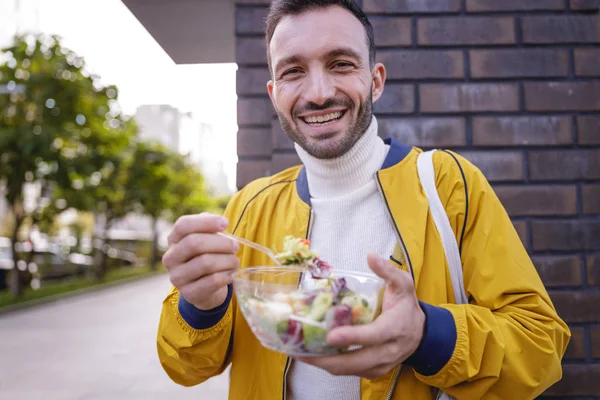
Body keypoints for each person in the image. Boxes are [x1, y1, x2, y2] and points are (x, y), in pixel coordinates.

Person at [156, 1, 571, 399]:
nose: (318, 93)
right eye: (293, 71)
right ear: (273, 92)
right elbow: (186, 368)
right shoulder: (249, 207)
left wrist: (425, 334)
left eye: (340, 64)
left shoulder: (449, 186)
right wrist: (201, 305)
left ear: (375, 81)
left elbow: (539, 350)